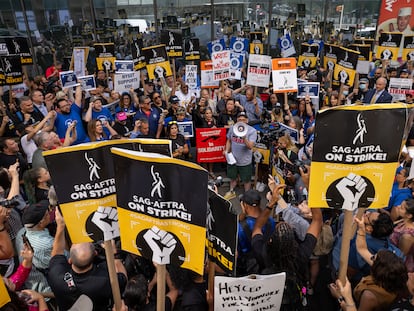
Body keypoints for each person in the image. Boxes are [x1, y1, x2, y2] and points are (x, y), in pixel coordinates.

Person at [252, 179, 322, 310]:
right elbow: (317, 221)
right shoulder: (300, 256)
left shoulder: (263, 254)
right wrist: (310, 186)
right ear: (294, 244)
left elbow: (257, 227)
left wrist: (271, 203)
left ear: (270, 240)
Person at [47, 209, 127, 311]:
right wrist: (114, 255)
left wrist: (61, 226)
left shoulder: (57, 276)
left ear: (70, 260)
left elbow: (57, 253)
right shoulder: (104, 281)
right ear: (95, 254)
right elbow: (123, 278)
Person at [14, 200, 55, 295]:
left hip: (30, 283)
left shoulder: (22, 232)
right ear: (41, 223)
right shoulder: (46, 244)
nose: (50, 213)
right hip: (47, 290)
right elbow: (66, 259)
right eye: (47, 214)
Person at [236, 189, 276, 276]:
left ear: (245, 205)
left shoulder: (240, 227)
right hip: (267, 265)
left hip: (248, 270)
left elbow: (237, 253)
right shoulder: (271, 221)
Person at [223, 111, 257, 200]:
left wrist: (244, 138)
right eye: (239, 119)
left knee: (246, 179)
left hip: (245, 161)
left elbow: (250, 147)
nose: (241, 121)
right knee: (232, 177)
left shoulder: (252, 131)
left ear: (247, 120)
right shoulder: (233, 128)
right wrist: (227, 151)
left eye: (243, 119)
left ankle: (247, 195)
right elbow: (229, 140)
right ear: (237, 120)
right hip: (233, 159)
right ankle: (231, 191)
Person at [390, 199, 414, 272]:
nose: (398, 206)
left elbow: (401, 256)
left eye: (402, 208)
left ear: (409, 215)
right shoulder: (403, 221)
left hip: (398, 267)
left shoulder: (407, 236)